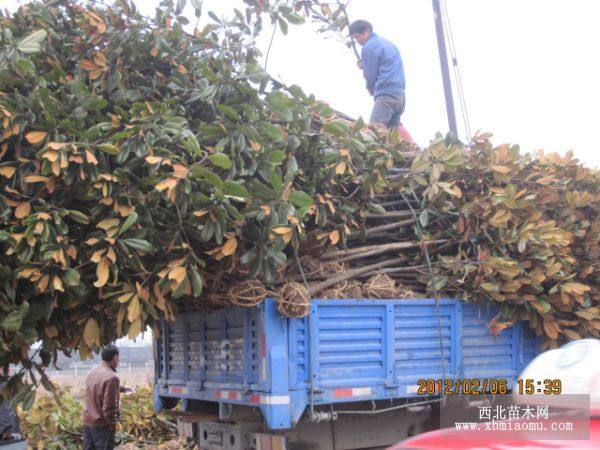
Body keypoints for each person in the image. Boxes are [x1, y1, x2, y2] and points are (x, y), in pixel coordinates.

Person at [350, 20, 414, 142]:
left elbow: (370, 75)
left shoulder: (368, 47)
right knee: (392, 138)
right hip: (399, 97)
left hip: (386, 97)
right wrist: (365, 64)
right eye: (355, 39)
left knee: (373, 134)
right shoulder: (388, 44)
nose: (357, 41)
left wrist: (370, 88)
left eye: (358, 37)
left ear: (367, 31)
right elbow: (385, 65)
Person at [82, 345, 132, 450]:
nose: (119, 361)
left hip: (87, 423)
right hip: (101, 426)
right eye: (118, 358)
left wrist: (124, 388)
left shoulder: (93, 371)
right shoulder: (112, 377)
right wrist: (112, 425)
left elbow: (100, 388)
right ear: (115, 357)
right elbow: (109, 407)